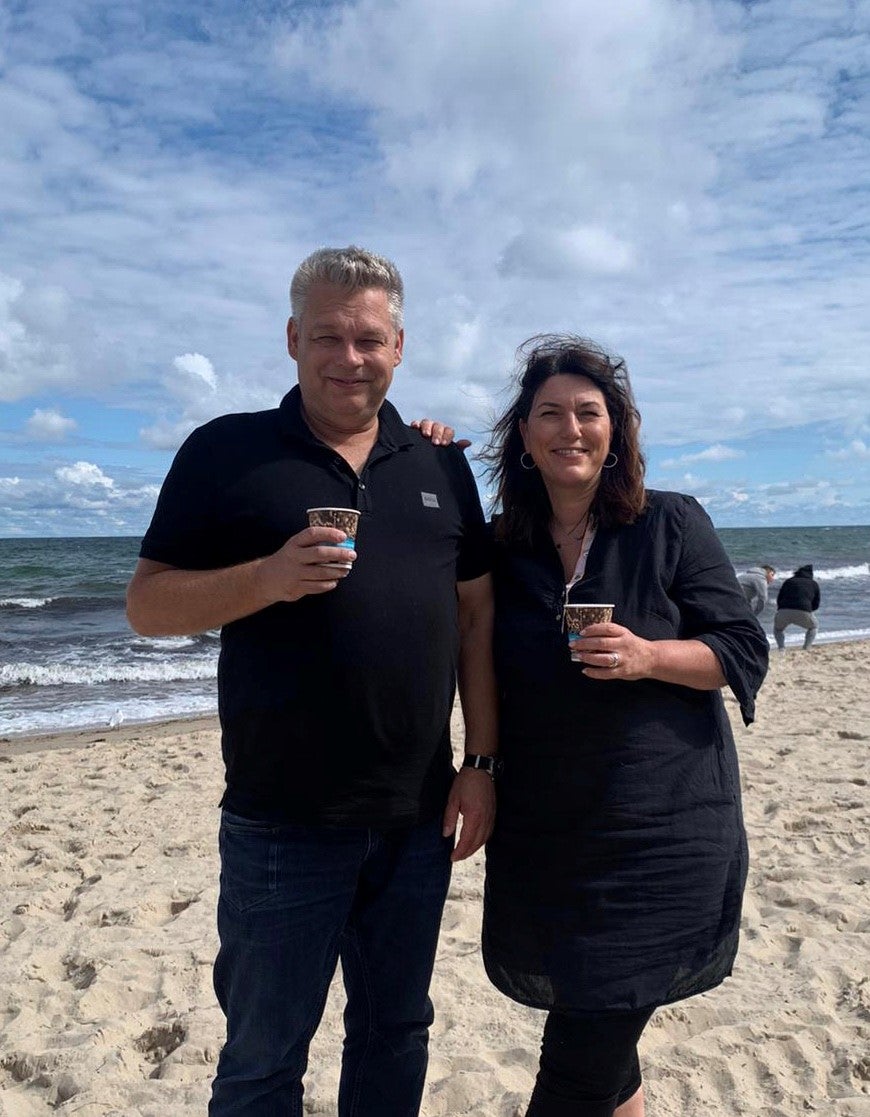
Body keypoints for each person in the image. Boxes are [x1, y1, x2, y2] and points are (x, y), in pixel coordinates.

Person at [126, 246, 498, 1117]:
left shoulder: (440, 464)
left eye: (369, 339)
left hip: (416, 816)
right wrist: (264, 578)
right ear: (293, 339)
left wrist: (482, 761)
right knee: (262, 1057)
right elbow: (145, 604)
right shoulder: (227, 450)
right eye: (326, 335)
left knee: (395, 1032)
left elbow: (476, 621)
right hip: (280, 819)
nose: (348, 357)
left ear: (399, 347)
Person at [417, 334, 768, 1117]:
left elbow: (741, 649)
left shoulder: (669, 523)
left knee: (577, 1065)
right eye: (551, 413)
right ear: (525, 435)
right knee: (605, 1048)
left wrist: (649, 655)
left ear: (616, 432)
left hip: (664, 830)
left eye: (588, 412)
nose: (570, 428)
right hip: (548, 836)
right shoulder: (503, 546)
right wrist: (425, 455)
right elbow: (456, 624)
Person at [773, 564, 821, 649]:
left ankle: (781, 648)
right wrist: (809, 609)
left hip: (784, 610)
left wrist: (781, 608)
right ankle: (807, 647)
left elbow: (779, 598)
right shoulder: (814, 584)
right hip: (803, 610)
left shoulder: (788, 581)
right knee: (814, 627)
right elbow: (816, 603)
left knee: (778, 629)